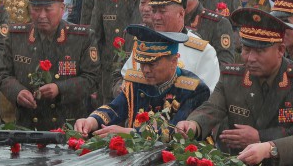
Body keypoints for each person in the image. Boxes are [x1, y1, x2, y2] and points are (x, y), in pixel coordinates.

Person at [177, 8, 293, 166]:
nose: (250, 58)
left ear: (280, 50)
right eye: (246, 49)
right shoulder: (231, 77)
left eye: (260, 51)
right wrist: (193, 124)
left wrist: (261, 137)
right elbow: (212, 108)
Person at [0, 0, 100, 130]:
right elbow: (2, 74)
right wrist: (17, 92)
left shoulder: (81, 37)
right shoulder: (16, 36)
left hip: (68, 125)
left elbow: (91, 78)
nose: (41, 16)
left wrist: (60, 89)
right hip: (28, 124)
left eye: (48, 9)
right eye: (36, 9)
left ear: (62, 8)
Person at [75, 24, 210, 136]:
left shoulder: (195, 89)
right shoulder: (137, 82)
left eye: (151, 64)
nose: (145, 70)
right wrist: (92, 121)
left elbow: (176, 132)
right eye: (141, 63)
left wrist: (130, 133)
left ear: (174, 61)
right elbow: (116, 108)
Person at [119, 0, 220, 89]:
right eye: (154, 11)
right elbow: (126, 82)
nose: (156, 17)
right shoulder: (145, 43)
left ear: (181, 14)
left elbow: (207, 100)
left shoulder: (202, 52)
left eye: (162, 11)